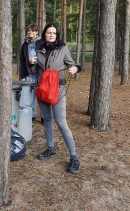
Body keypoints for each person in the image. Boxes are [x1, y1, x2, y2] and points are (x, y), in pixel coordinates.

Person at [33, 23, 81, 174]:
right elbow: (35, 69)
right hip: (42, 90)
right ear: (44, 34)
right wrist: (31, 64)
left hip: (57, 90)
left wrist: (76, 68)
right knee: (47, 119)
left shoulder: (63, 49)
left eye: (54, 33)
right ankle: (50, 148)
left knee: (61, 123)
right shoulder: (38, 48)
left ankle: (74, 157)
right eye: (49, 32)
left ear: (57, 35)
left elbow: (73, 65)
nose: (51, 35)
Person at [19, 23, 43, 122]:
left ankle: (44, 117)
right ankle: (32, 116)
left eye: (33, 31)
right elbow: (22, 60)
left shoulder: (41, 43)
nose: (30, 32)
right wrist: (22, 75)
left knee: (42, 96)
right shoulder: (25, 45)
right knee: (30, 97)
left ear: (36, 32)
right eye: (29, 31)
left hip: (40, 74)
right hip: (29, 74)